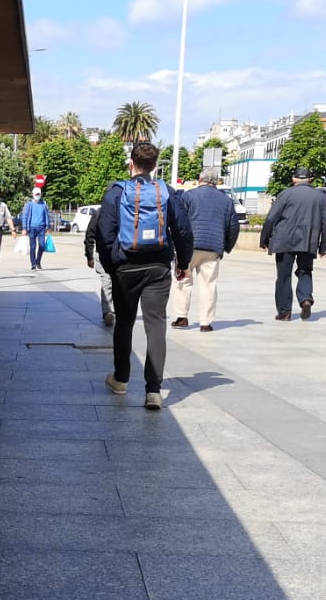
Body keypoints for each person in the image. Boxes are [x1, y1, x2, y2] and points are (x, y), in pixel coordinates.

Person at [95, 140, 194, 409]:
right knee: (156, 325)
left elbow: (104, 233)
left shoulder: (116, 192)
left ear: (132, 163)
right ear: (154, 166)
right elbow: (183, 230)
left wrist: (111, 263)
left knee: (124, 323)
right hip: (158, 268)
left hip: (126, 267)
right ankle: (153, 390)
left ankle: (121, 379)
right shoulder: (167, 192)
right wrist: (183, 262)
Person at [170, 171, 239, 331]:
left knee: (183, 280)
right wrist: (226, 246)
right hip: (213, 248)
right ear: (216, 183)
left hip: (189, 247)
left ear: (200, 180)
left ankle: (181, 316)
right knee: (209, 284)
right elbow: (234, 226)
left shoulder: (188, 196)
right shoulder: (226, 201)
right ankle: (205, 322)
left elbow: (179, 221)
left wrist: (176, 244)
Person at [260, 167, 326, 320]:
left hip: (284, 240)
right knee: (305, 271)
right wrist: (324, 246)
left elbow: (271, 218)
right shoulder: (319, 197)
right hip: (308, 240)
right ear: (310, 179)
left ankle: (285, 312)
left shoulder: (285, 194)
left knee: (283, 276)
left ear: (294, 179)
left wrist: (264, 239)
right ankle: (305, 298)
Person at [81, 205, 116, 326]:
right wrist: (89, 255)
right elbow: (90, 235)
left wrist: (89, 255)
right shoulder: (124, 210)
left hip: (103, 252)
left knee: (107, 282)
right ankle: (109, 311)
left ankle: (108, 311)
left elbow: (89, 234)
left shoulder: (99, 212)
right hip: (116, 253)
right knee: (112, 281)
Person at [20, 186, 51, 271]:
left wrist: (48, 226)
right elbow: (25, 216)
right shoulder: (29, 204)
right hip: (32, 228)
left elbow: (47, 216)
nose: (37, 195)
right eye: (36, 194)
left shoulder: (43, 204)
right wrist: (24, 228)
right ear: (33, 194)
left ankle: (38, 261)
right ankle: (33, 264)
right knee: (32, 247)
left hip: (41, 228)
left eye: (39, 194)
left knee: (42, 245)